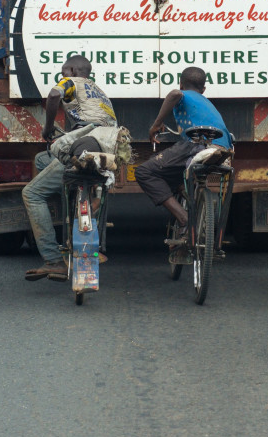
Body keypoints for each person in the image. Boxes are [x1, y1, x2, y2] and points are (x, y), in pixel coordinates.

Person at [21, 55, 117, 281]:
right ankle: (73, 205)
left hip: (86, 143)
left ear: (72, 70)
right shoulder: (99, 92)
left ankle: (53, 261)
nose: (62, 75)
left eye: (64, 71)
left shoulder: (72, 82)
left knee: (32, 193)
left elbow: (54, 95)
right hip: (108, 147)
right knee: (41, 160)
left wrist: (47, 128)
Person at [137, 67, 232, 230]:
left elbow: (174, 95)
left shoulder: (183, 94)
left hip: (198, 144)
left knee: (144, 172)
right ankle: (183, 190)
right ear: (203, 89)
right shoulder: (206, 103)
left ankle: (184, 219)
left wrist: (157, 124)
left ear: (181, 84)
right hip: (223, 148)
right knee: (171, 169)